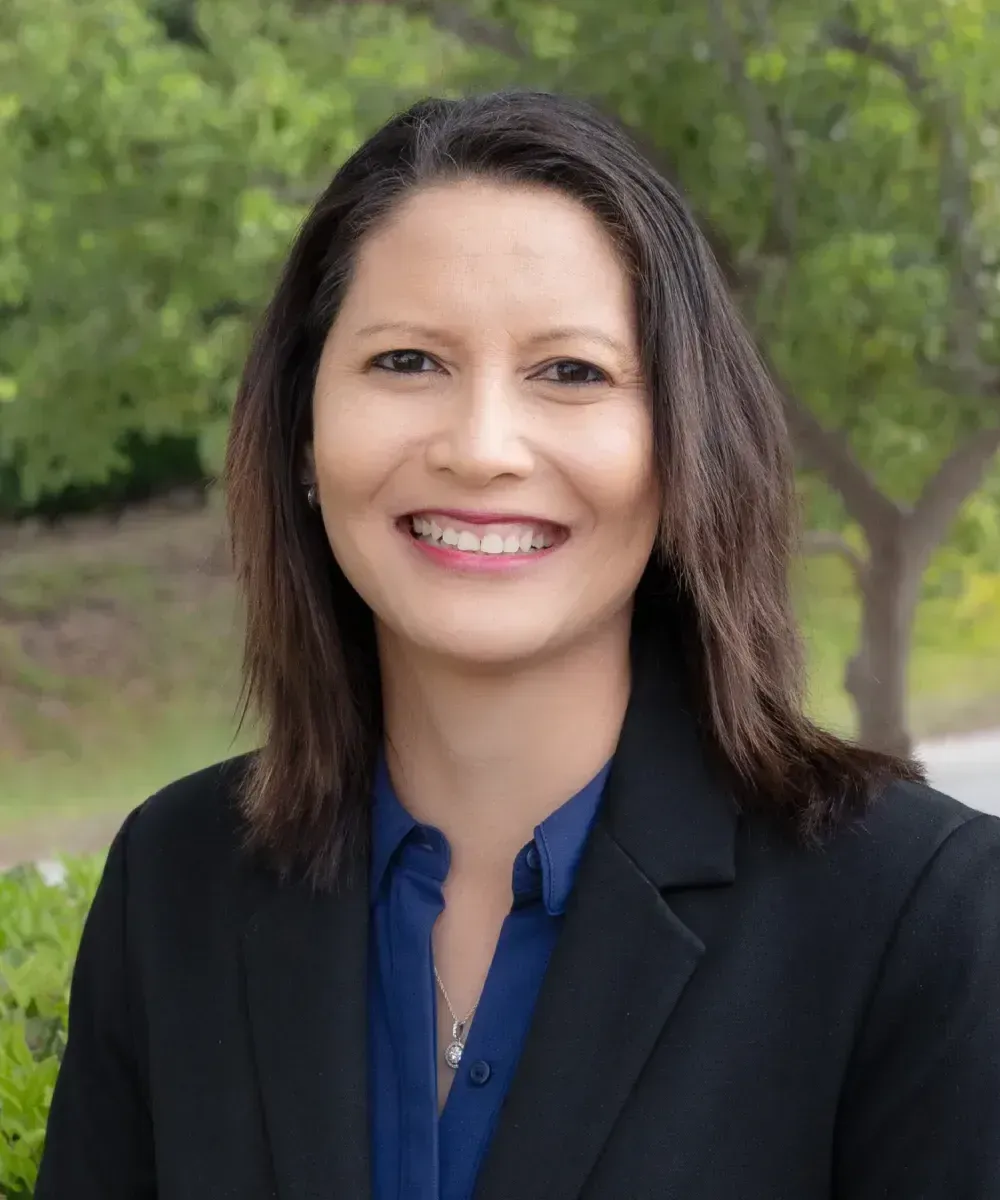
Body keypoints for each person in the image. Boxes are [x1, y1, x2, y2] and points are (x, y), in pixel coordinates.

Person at [36, 90, 1000, 1200]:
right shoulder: (175, 884)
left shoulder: (924, 918)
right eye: (408, 361)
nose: (483, 447)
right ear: (302, 430)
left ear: (683, 440)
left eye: (571, 372)